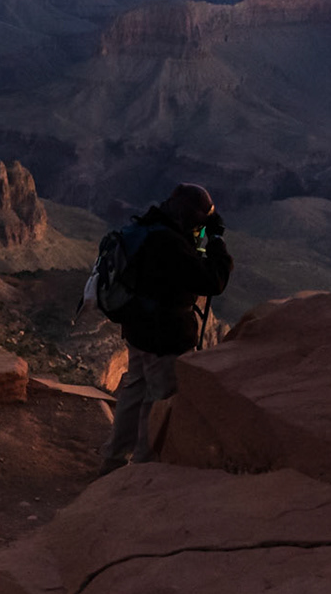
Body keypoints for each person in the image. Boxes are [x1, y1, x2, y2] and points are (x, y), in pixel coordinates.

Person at [99, 183, 232, 475]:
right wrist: (217, 240)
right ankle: (143, 470)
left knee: (134, 391)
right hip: (164, 336)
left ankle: (114, 460)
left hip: (137, 329)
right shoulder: (170, 243)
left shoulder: (151, 227)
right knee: (158, 400)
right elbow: (213, 282)